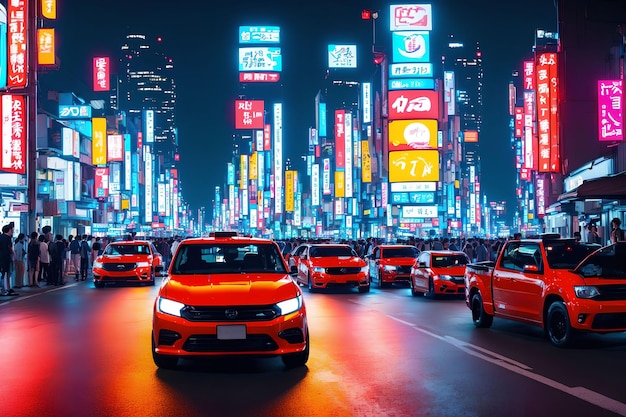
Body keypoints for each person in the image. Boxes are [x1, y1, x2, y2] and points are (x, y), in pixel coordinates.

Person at [0, 223, 16, 296]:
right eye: (11, 230)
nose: (12, 231)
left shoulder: (1, 237)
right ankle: (6, 289)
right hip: (6, 257)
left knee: (3, 273)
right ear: (9, 230)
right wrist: (13, 255)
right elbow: (10, 248)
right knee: (6, 273)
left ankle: (4, 289)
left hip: (1, 257)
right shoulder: (8, 238)